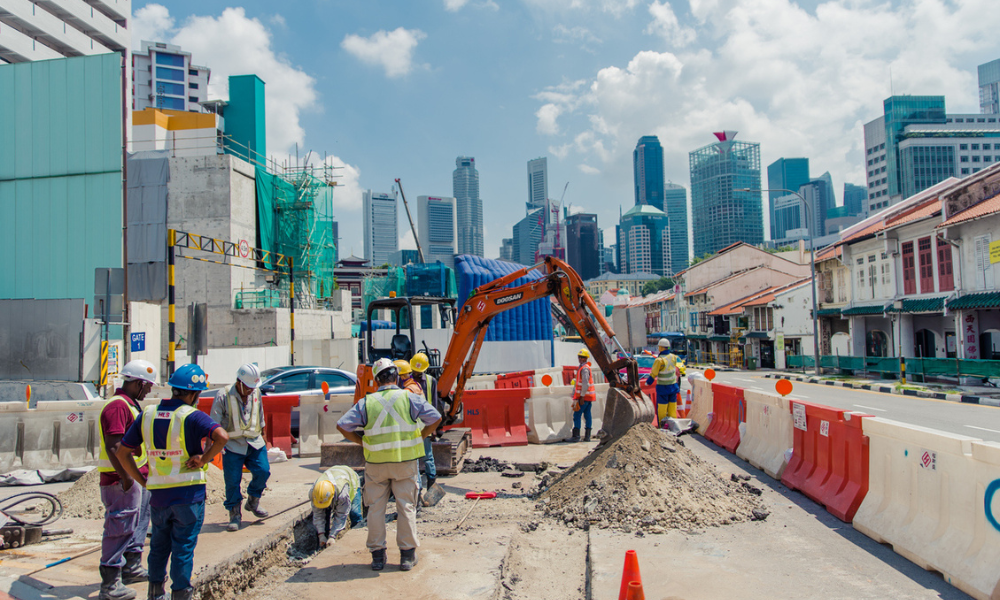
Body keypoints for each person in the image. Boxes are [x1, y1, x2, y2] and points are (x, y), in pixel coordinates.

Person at [116, 364, 228, 600]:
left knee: (158, 547)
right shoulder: (192, 415)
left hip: (159, 498)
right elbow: (221, 437)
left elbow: (122, 452)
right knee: (183, 549)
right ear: (194, 394)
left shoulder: (148, 414)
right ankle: (180, 594)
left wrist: (141, 480)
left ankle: (155, 594)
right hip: (188, 496)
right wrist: (203, 459)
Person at [337, 358, 441, 572]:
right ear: (396, 377)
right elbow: (436, 417)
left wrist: (361, 440)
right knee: (406, 507)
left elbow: (342, 425)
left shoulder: (366, 402)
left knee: (375, 509)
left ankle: (377, 557)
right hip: (405, 463)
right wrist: (421, 436)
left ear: (376, 380)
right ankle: (407, 557)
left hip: (376, 464)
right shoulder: (409, 397)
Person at [97, 360, 158, 600]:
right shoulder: (117, 406)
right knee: (119, 528)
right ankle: (110, 585)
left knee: (135, 524)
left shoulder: (130, 405)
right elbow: (114, 446)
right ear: (139, 384)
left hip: (134, 477)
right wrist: (125, 477)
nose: (150, 391)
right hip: (120, 479)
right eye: (148, 386)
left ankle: (131, 567)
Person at [210, 363, 270, 533]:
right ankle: (234, 515)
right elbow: (214, 423)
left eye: (253, 387)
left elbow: (260, 415)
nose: (251, 390)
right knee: (232, 480)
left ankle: (253, 500)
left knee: (263, 471)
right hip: (233, 445)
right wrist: (214, 445)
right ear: (239, 382)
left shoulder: (256, 392)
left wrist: (265, 437)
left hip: (254, 442)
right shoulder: (223, 395)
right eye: (249, 387)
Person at [310, 465, 363, 549]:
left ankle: (358, 541)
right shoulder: (315, 493)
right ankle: (323, 541)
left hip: (351, 478)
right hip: (334, 475)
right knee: (325, 513)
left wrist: (333, 536)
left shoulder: (342, 495)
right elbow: (318, 514)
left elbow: (341, 515)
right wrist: (321, 534)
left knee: (355, 513)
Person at [409, 352, 439, 489]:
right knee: (413, 458)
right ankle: (417, 487)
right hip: (410, 424)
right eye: (414, 370)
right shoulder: (405, 381)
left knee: (427, 456)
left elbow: (435, 404)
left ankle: (431, 483)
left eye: (418, 370)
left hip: (424, 424)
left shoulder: (430, 381)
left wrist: (434, 427)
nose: (416, 373)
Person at [646, 339, 680, 425]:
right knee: (672, 407)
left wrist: (648, 382)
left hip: (663, 388)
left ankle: (662, 425)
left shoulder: (659, 360)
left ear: (660, 348)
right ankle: (674, 425)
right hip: (673, 386)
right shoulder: (673, 357)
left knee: (662, 408)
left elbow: (654, 373)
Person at [570, 349, 597, 442]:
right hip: (588, 397)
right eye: (579, 357)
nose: (580, 359)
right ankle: (587, 436)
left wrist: (581, 396)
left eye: (582, 357)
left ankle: (576, 436)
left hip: (584, 397)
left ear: (586, 358)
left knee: (577, 415)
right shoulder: (584, 367)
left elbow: (585, 384)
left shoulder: (584, 368)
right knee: (587, 415)